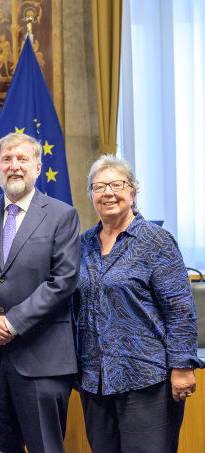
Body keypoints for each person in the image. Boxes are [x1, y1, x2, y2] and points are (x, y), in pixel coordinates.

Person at [0, 131, 79, 453]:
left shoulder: (62, 215)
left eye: (22, 159)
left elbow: (63, 280)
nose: (14, 166)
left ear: (38, 168)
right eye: (6, 159)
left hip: (42, 358)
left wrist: (11, 324)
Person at [75, 154, 202, 453]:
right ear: (91, 195)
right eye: (99, 186)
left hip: (147, 378)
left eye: (117, 184)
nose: (108, 192)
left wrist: (183, 367)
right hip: (95, 379)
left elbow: (181, 309)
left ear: (132, 192)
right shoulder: (83, 243)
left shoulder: (156, 241)